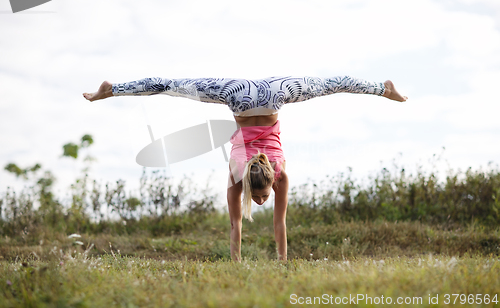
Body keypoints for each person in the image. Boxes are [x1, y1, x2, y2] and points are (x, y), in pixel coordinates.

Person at [83, 76, 408, 262]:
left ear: (264, 182)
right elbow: (270, 224)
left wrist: (253, 262)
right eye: (264, 196)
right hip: (262, 93)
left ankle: (111, 89)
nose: (264, 201)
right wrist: (271, 262)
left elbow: (241, 225)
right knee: (331, 85)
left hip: (251, 95)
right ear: (267, 182)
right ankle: (384, 88)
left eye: (262, 197)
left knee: (173, 85)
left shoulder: (261, 174)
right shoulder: (242, 173)